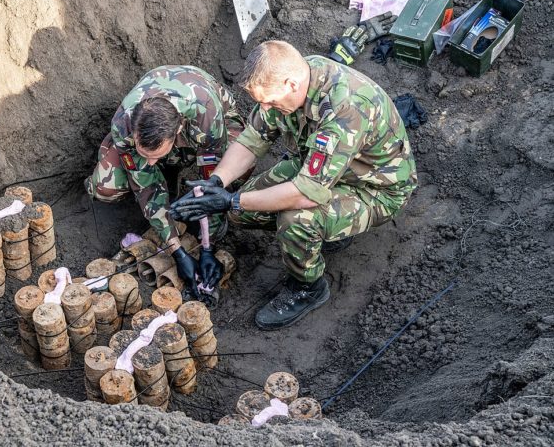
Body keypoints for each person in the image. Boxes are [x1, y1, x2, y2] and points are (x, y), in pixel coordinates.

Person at [171, 41, 418, 330]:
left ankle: (309, 287)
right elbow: (252, 138)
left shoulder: (344, 111)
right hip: (323, 170)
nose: (266, 109)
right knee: (243, 209)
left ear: (290, 85)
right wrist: (217, 182)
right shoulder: (294, 78)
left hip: (373, 188)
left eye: (270, 102)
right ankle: (331, 231)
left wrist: (229, 201)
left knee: (295, 219)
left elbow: (303, 194)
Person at [85, 65, 250, 299]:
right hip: (168, 134)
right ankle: (168, 168)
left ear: (178, 131)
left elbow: (212, 180)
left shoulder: (205, 115)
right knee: (106, 187)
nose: (149, 163)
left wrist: (207, 246)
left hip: (211, 121)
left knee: (239, 164)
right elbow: (147, 188)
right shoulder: (124, 123)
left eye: (156, 156)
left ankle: (176, 167)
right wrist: (177, 251)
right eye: (145, 154)